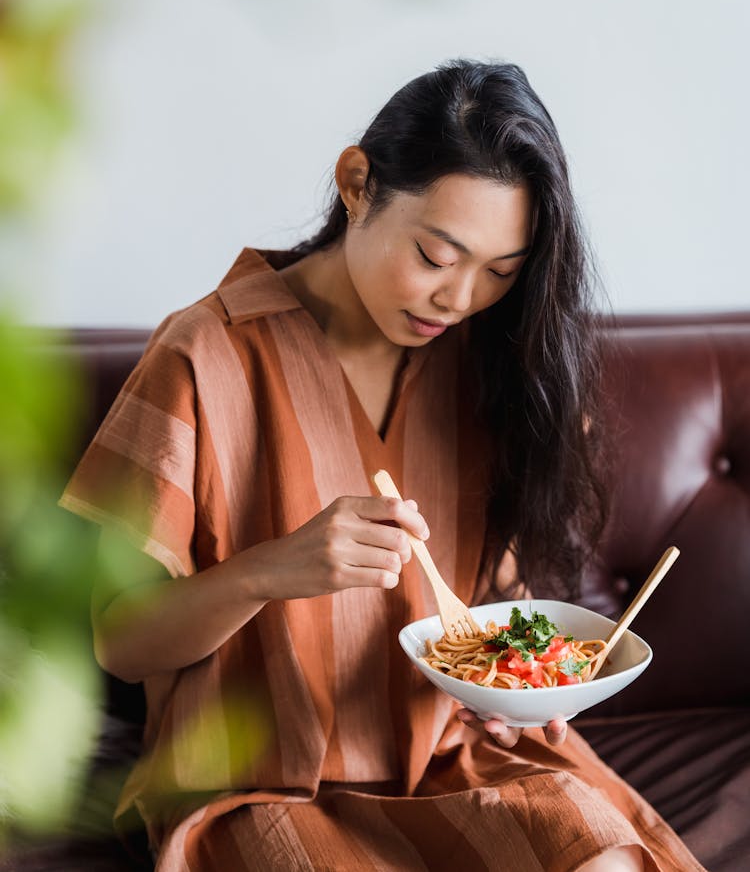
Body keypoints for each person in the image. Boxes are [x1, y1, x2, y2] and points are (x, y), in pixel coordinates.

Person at [60, 60, 704, 872]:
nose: (459, 298)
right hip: (256, 787)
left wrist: (507, 694)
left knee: (603, 857)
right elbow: (121, 642)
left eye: (500, 273)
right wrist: (269, 571)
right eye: (437, 255)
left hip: (454, 762)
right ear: (357, 183)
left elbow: (488, 606)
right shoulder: (205, 352)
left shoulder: (495, 367)